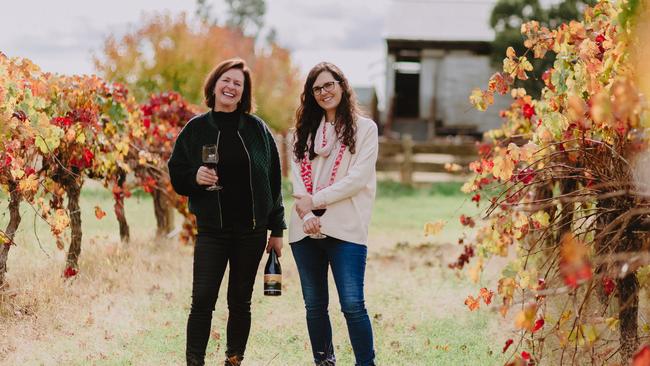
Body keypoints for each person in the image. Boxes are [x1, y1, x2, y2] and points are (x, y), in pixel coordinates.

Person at [168, 58, 285, 366]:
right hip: (212, 231)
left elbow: (274, 181)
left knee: (240, 302)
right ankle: (195, 362)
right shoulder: (196, 128)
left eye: (238, 83)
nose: (231, 87)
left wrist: (277, 230)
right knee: (202, 300)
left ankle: (233, 360)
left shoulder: (258, 130)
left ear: (244, 92)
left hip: (252, 231)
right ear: (214, 84)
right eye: (226, 80)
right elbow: (176, 173)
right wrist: (195, 177)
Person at [289, 62, 378, 366]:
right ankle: (324, 362)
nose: (324, 92)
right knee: (314, 306)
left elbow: (357, 178)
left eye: (329, 85)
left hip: (346, 228)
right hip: (305, 229)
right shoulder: (301, 134)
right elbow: (297, 182)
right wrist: (306, 214)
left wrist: (316, 200)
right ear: (310, 96)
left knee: (353, 305)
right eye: (317, 89)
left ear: (342, 85)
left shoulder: (365, 129)